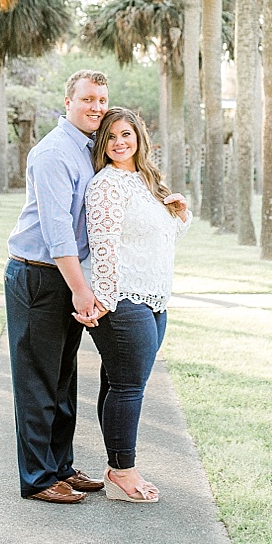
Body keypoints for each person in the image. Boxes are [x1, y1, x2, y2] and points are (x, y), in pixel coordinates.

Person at [3, 69, 111, 503]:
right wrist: (81, 290)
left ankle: (61, 466)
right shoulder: (53, 153)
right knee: (37, 382)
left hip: (65, 274)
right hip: (39, 276)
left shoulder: (87, 150)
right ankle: (39, 478)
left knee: (63, 380)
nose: (97, 108)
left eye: (102, 100)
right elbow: (57, 231)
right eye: (88, 99)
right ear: (68, 102)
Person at [82, 106, 190, 503]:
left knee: (118, 382)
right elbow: (104, 243)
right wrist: (106, 299)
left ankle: (116, 465)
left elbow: (154, 241)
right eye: (110, 137)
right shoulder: (107, 184)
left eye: (126, 134)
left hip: (154, 297)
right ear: (102, 144)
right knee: (129, 386)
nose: (119, 142)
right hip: (123, 297)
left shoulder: (146, 181)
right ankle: (122, 472)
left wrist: (178, 215)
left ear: (139, 137)